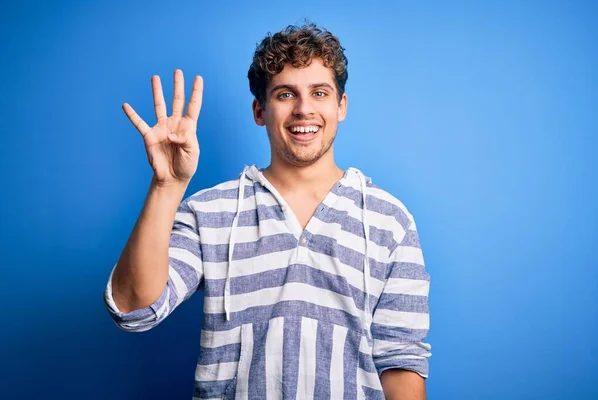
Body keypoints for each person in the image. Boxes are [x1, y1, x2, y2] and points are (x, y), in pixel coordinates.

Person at [104, 21, 432, 400]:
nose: (304, 109)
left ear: (341, 106)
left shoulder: (389, 221)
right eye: (286, 94)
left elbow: (401, 364)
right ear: (260, 111)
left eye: (320, 93)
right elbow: (134, 308)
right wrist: (167, 186)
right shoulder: (210, 212)